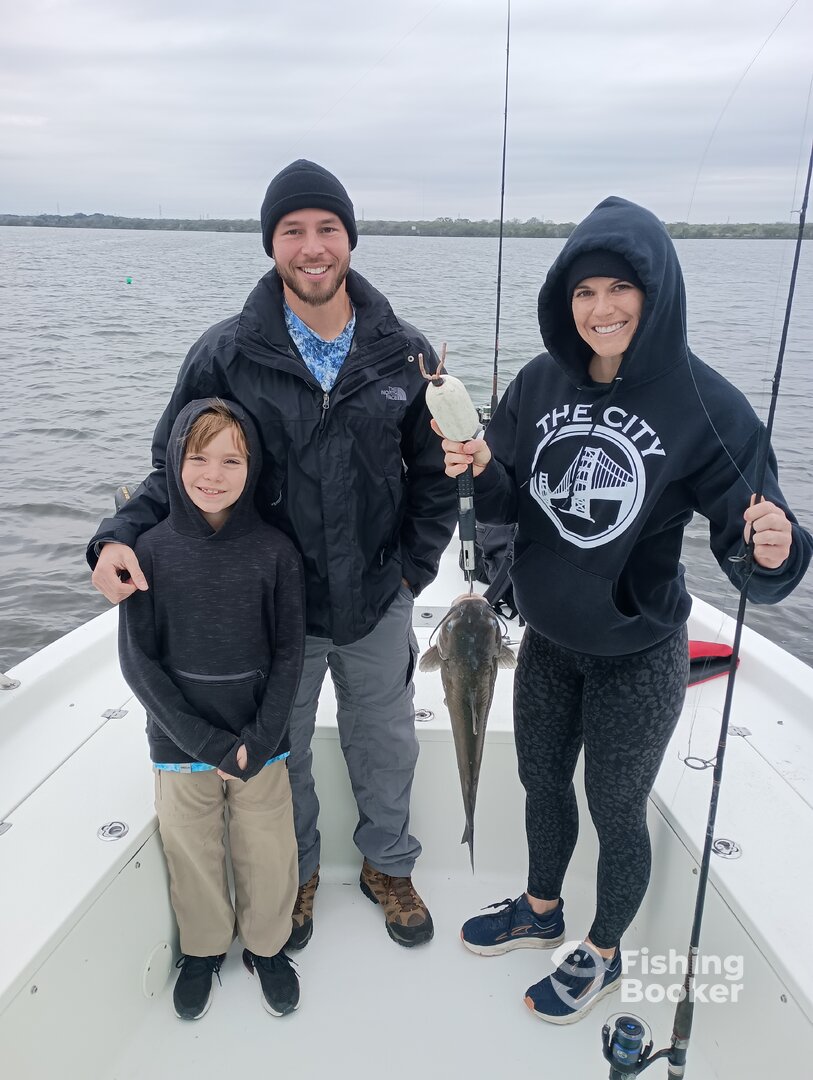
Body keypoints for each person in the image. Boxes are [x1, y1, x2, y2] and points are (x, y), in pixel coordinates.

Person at [434, 195, 812, 1024]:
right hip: (545, 641)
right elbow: (507, 499)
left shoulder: (706, 403)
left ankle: (603, 953)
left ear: (654, 292)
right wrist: (479, 465)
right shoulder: (539, 382)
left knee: (614, 807)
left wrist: (773, 551)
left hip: (636, 652)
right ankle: (540, 910)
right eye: (583, 292)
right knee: (540, 782)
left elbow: (755, 551)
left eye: (618, 288)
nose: (599, 308)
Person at [89, 160, 457, 951]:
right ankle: (301, 871)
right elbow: (173, 470)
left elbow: (437, 476)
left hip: (376, 596)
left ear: (350, 239)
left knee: (385, 739)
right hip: (268, 611)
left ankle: (388, 864)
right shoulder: (223, 353)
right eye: (293, 231)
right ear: (271, 244)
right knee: (279, 751)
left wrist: (411, 572)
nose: (311, 246)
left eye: (327, 228)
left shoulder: (406, 352)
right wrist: (116, 536)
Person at [118, 398, 305, 1020]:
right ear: (175, 460)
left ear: (253, 467)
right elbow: (138, 663)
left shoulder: (276, 551)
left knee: (269, 851)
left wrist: (260, 737)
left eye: (232, 460)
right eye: (199, 458)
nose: (213, 474)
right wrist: (206, 744)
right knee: (191, 852)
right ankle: (202, 950)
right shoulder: (148, 550)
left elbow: (289, 653)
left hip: (260, 743)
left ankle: (268, 947)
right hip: (181, 746)